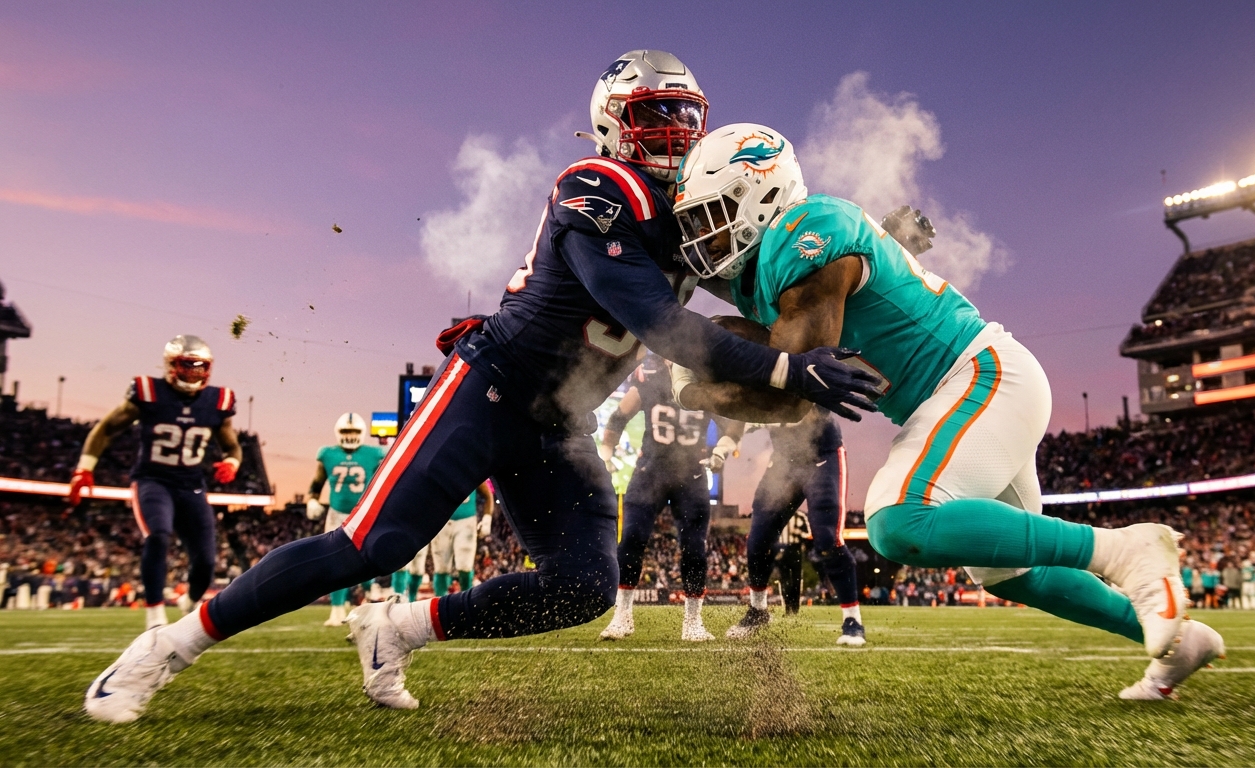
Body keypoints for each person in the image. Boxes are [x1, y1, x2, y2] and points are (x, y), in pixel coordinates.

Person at [84, 52, 879, 724]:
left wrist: (867, 260)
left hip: (561, 422)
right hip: (490, 387)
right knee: (373, 545)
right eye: (654, 115)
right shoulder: (597, 186)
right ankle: (166, 646)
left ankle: (398, 630)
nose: (674, 132)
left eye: (684, 115)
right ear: (613, 123)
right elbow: (660, 321)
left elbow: (772, 283)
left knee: (583, 587)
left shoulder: (690, 207)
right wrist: (787, 370)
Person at [672, 123, 1219, 700]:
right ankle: (1181, 644)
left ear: (762, 193)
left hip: (979, 376)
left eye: (714, 215)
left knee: (898, 519)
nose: (705, 237)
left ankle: (1124, 550)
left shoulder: (805, 235)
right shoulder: (767, 271)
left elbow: (791, 395)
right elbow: (768, 351)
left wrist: (694, 388)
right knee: (1011, 573)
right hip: (970, 393)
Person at [68, 335, 241, 630]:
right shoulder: (149, 391)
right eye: (188, 365)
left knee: (206, 561)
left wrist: (232, 463)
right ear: (171, 365)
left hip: (192, 485)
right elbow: (106, 428)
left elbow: (232, 446)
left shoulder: (218, 401)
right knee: (158, 535)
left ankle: (190, 600)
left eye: (201, 366)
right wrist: (84, 468)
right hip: (153, 480)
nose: (195, 373)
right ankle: (155, 616)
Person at [598, 352, 739, 642]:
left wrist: (721, 451)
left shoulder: (705, 384)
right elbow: (618, 417)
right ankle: (622, 616)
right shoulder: (650, 380)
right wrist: (607, 453)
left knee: (694, 548)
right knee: (632, 538)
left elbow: (734, 424)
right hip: (651, 471)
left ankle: (693, 621)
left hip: (691, 475)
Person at [717, 386, 864, 646]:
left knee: (828, 539)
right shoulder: (754, 373)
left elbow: (812, 415)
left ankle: (852, 620)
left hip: (822, 456)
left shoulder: (799, 367)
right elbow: (737, 417)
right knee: (757, 540)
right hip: (785, 462)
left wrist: (766, 415)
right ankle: (758, 611)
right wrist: (723, 446)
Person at [305, 413, 387, 626]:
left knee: (366, 559)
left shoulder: (374, 454)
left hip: (363, 513)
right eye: (346, 431)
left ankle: (369, 596)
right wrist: (312, 499)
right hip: (336, 513)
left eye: (354, 431)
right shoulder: (328, 454)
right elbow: (317, 482)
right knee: (334, 562)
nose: (350, 435)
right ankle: (337, 610)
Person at [401, 483, 495, 603]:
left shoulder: (470, 472)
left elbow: (488, 494)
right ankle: (440, 603)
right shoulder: (439, 473)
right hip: (441, 521)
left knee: (465, 565)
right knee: (441, 568)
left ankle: (467, 603)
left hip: (466, 521)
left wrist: (487, 518)